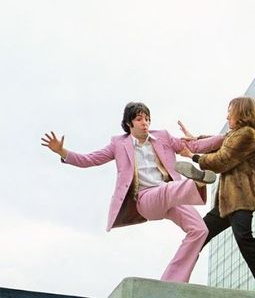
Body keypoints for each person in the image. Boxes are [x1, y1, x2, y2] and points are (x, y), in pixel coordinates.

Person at [41, 102, 225, 283]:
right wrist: (62, 151)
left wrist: (227, 137)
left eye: (147, 119)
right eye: (139, 119)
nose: (145, 123)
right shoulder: (118, 144)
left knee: (200, 230)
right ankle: (197, 183)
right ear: (129, 123)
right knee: (167, 189)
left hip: (172, 196)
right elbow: (90, 159)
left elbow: (193, 147)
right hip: (146, 199)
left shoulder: (163, 137)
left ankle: (172, 281)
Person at [177, 96, 255, 293]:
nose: (227, 115)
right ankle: (176, 277)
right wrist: (195, 140)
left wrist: (193, 156)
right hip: (226, 202)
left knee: (243, 238)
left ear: (242, 113)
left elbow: (223, 159)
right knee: (199, 234)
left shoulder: (247, 135)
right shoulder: (237, 134)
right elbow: (220, 142)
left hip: (241, 197)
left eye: (231, 111)